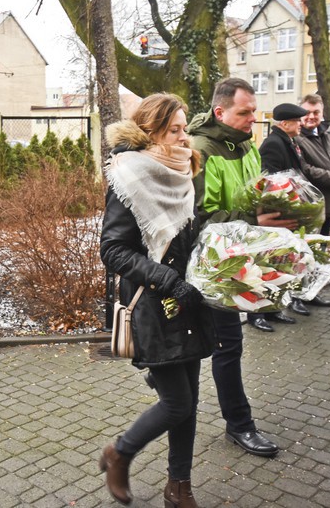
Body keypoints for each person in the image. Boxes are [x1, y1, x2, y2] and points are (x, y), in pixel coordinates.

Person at [99, 93, 209, 507]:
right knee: (177, 403)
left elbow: (183, 234)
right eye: (174, 130)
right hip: (154, 304)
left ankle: (178, 487)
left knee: (191, 401)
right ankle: (119, 453)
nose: (184, 138)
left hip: (189, 301)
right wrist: (168, 279)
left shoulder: (182, 172)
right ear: (151, 132)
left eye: (185, 129)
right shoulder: (130, 177)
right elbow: (112, 249)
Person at [188, 77, 292, 458]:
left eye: (254, 111)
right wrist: (254, 218)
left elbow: (254, 190)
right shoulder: (202, 149)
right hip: (210, 266)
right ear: (220, 111)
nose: (253, 119)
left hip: (238, 257)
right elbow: (198, 218)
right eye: (244, 112)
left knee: (221, 344)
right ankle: (240, 425)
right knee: (227, 345)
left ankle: (232, 420)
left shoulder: (246, 144)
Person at [247, 103, 310, 329]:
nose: (301, 124)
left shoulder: (288, 141)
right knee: (267, 265)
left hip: (284, 214)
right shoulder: (273, 144)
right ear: (285, 124)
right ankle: (258, 315)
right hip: (274, 216)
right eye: (297, 121)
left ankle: (273, 309)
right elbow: (271, 181)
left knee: (281, 266)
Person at [295, 93, 330, 237]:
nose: (311, 116)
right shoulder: (296, 137)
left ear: (322, 113)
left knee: (324, 241)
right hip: (311, 203)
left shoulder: (329, 132)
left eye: (316, 112)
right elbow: (304, 169)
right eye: (307, 112)